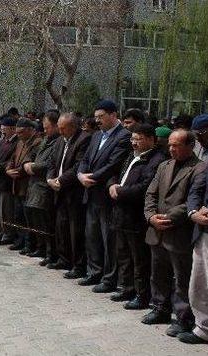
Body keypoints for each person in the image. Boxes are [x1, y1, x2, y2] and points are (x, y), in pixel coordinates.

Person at [142, 130, 200, 338]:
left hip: (178, 232)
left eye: (176, 145)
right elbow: (151, 193)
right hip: (156, 229)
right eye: (170, 145)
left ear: (190, 145)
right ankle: (160, 308)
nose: (171, 149)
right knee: (158, 273)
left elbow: (192, 201)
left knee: (181, 277)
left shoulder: (199, 168)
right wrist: (150, 216)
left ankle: (184, 318)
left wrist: (166, 218)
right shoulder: (164, 165)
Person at [107, 124, 167, 310]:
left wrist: (121, 191)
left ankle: (142, 295)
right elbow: (116, 174)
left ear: (151, 139)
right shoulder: (132, 156)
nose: (134, 142)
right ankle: (127, 288)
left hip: (136, 216)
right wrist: (112, 185)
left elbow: (145, 187)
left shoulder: (156, 160)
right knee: (123, 254)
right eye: (132, 139)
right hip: (120, 214)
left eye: (138, 139)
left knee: (139, 258)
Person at [77, 100, 132, 292]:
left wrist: (90, 178)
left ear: (113, 115)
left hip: (106, 195)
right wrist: (80, 175)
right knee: (92, 236)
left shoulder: (124, 136)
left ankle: (109, 279)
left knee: (108, 238)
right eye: (96, 117)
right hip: (90, 193)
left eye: (101, 117)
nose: (97, 121)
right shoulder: (96, 136)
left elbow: (113, 164)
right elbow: (85, 159)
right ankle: (94, 272)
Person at [47, 113, 91, 274]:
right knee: (61, 227)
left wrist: (60, 181)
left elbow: (78, 166)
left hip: (74, 192)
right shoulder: (59, 140)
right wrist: (50, 179)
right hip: (58, 191)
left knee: (75, 231)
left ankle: (78, 265)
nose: (60, 131)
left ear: (73, 127)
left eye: (63, 128)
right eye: (59, 128)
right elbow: (52, 162)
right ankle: (63, 259)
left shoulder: (84, 139)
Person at [184, 147, 208, 345]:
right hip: (207, 230)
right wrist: (193, 211)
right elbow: (200, 185)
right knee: (202, 282)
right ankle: (206, 329)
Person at [23, 110, 59, 260]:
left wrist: (33, 167)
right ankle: (40, 247)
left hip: (44, 187)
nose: (45, 130)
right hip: (33, 186)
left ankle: (50, 252)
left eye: (47, 127)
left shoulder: (59, 142)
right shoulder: (45, 140)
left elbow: (50, 163)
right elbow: (31, 154)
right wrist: (26, 163)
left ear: (57, 125)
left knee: (45, 222)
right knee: (34, 221)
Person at [5, 118, 42, 253]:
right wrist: (8, 169)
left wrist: (17, 172)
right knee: (18, 216)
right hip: (16, 185)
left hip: (27, 186)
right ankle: (20, 241)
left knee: (29, 219)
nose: (18, 135)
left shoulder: (38, 143)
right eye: (17, 132)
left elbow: (31, 163)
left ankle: (29, 244)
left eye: (21, 132)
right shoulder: (20, 142)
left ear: (30, 130)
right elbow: (13, 158)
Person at [0, 117, 18, 244]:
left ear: (12, 129)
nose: (2, 131)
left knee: (6, 209)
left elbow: (12, 160)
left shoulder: (16, 142)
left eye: (4, 129)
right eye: (1, 129)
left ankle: (8, 233)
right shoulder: (1, 141)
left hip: (6, 180)